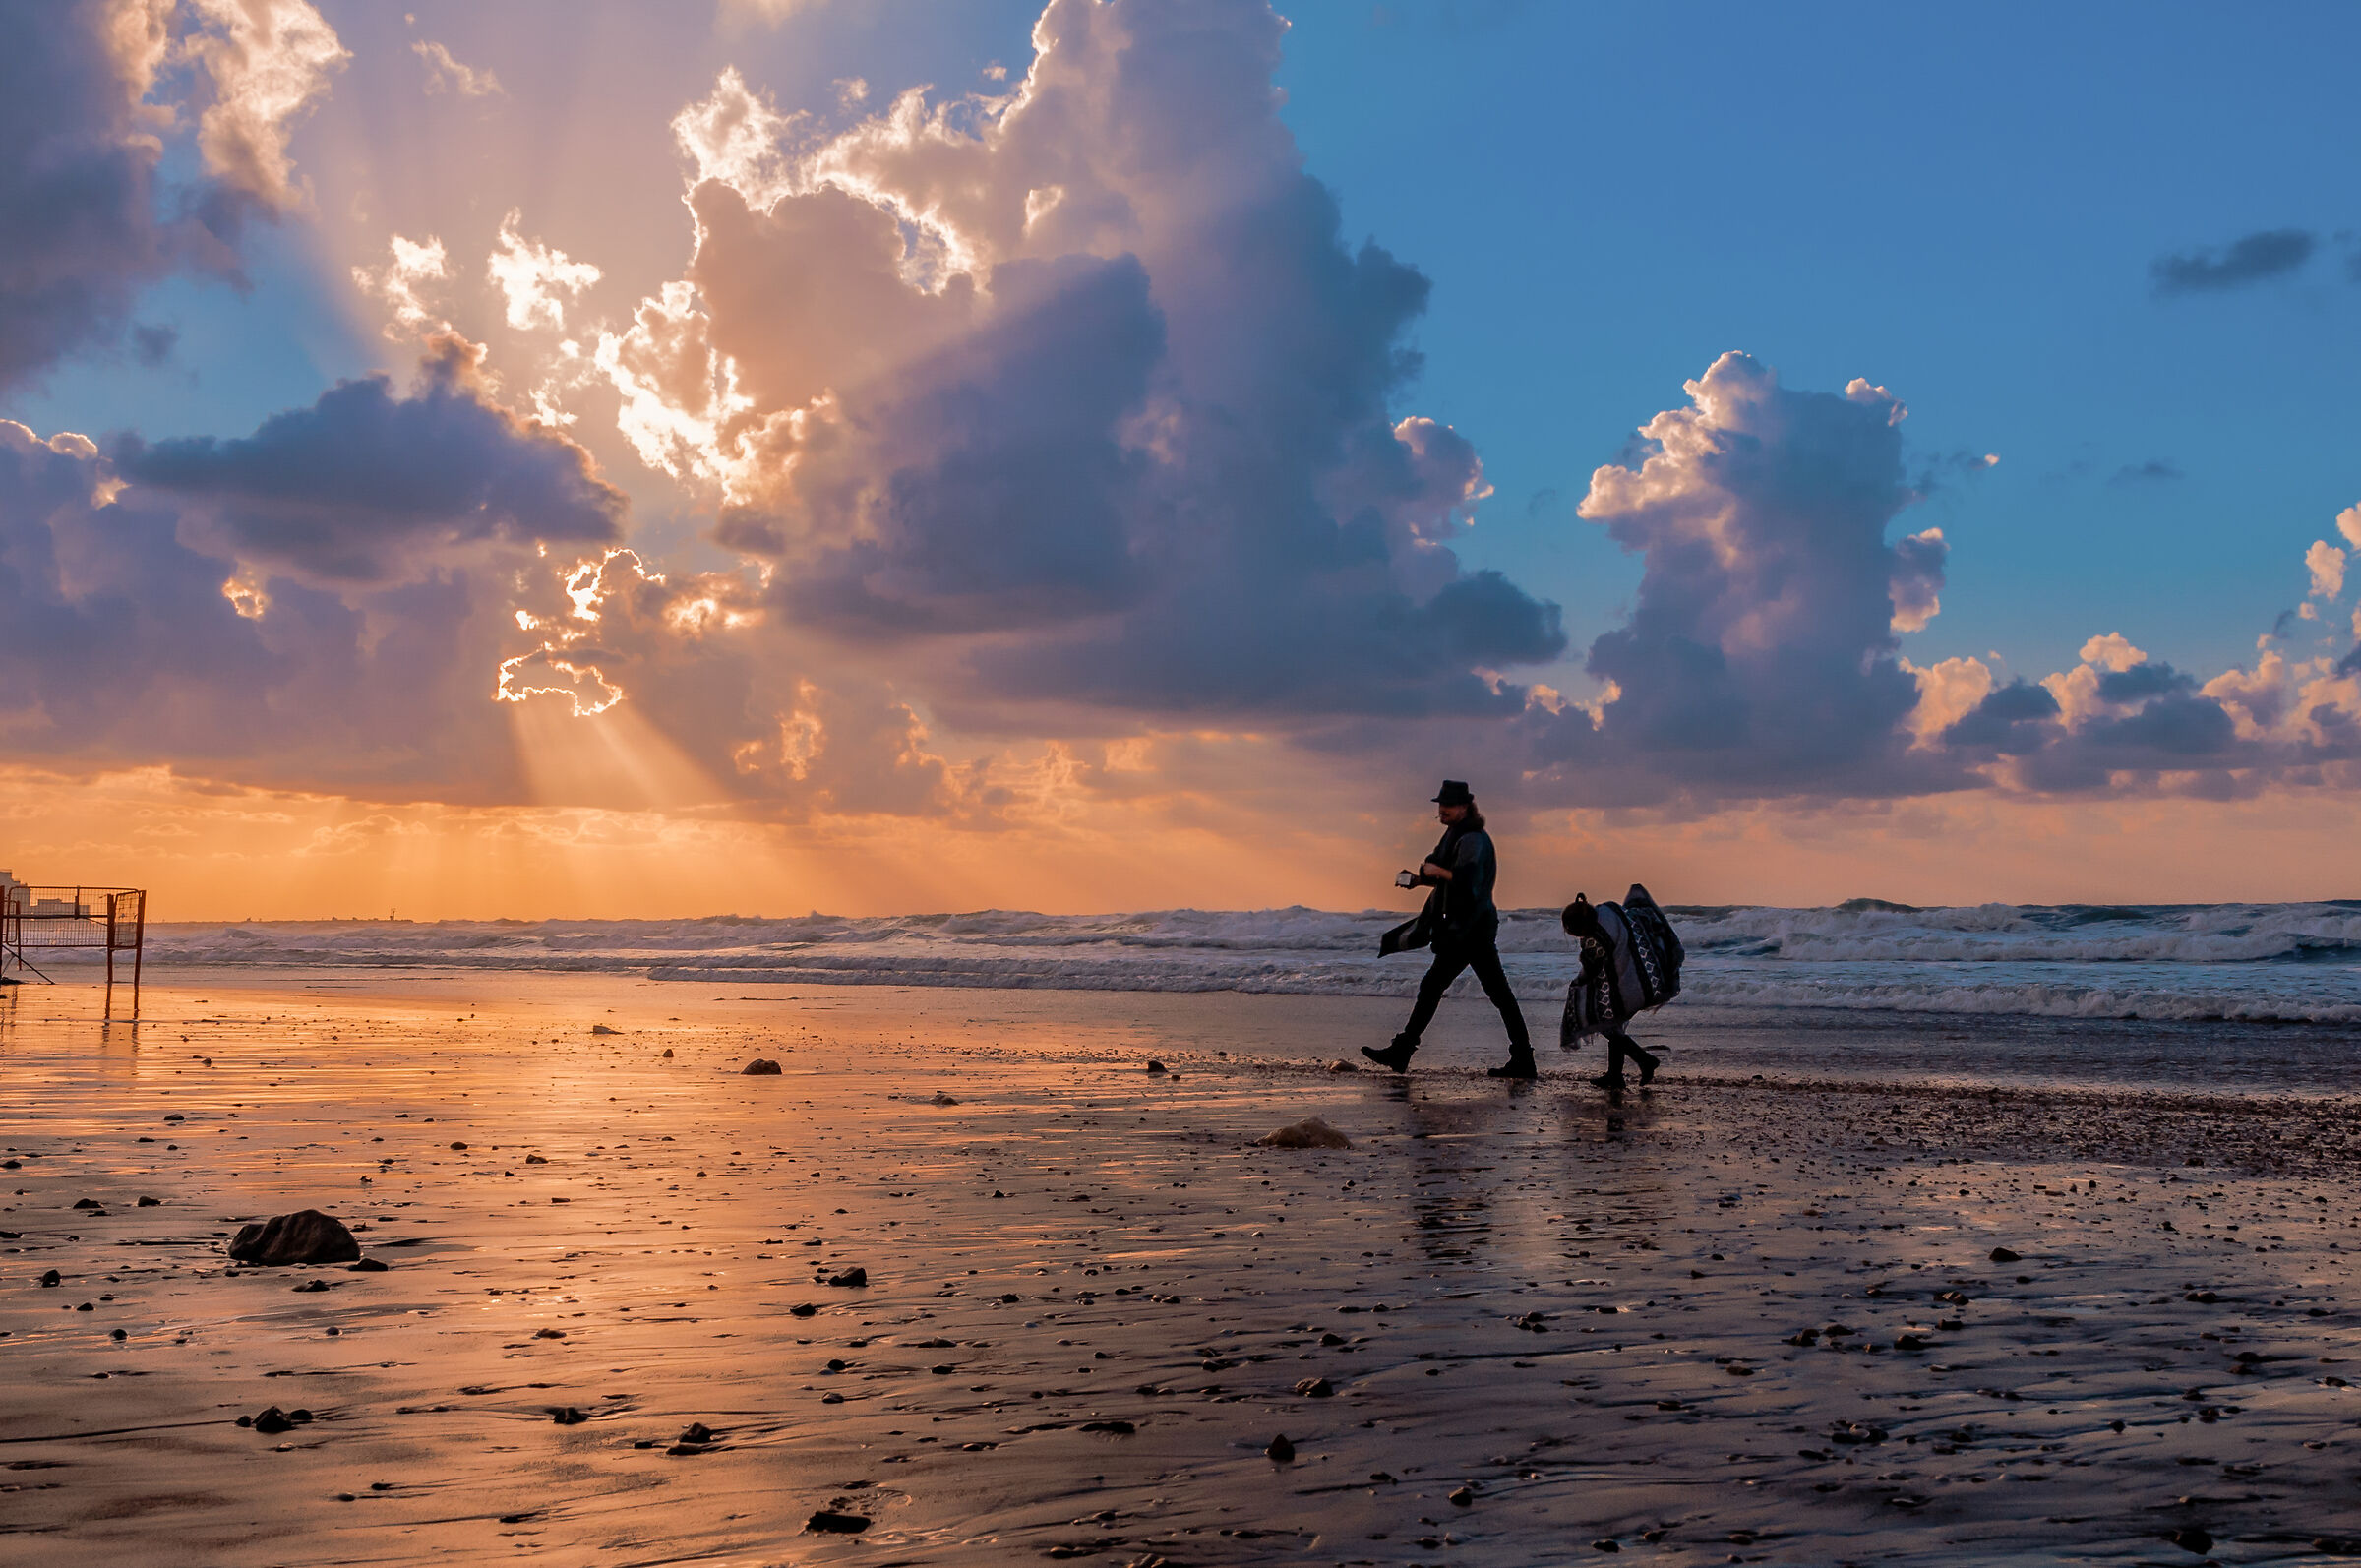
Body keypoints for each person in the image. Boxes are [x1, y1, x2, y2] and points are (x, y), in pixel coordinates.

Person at [1364, 780, 1535, 1079]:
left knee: (1460, 989)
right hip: (1462, 928)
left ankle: (1403, 1051)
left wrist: (1437, 872)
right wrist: (1419, 880)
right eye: (1440, 804)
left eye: (1449, 804)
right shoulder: (1455, 835)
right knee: (1484, 992)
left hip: (1472, 928)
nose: (1442, 809)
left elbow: (1468, 882)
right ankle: (1522, 1058)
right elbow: (1446, 877)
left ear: (1465, 807)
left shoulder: (1473, 839)